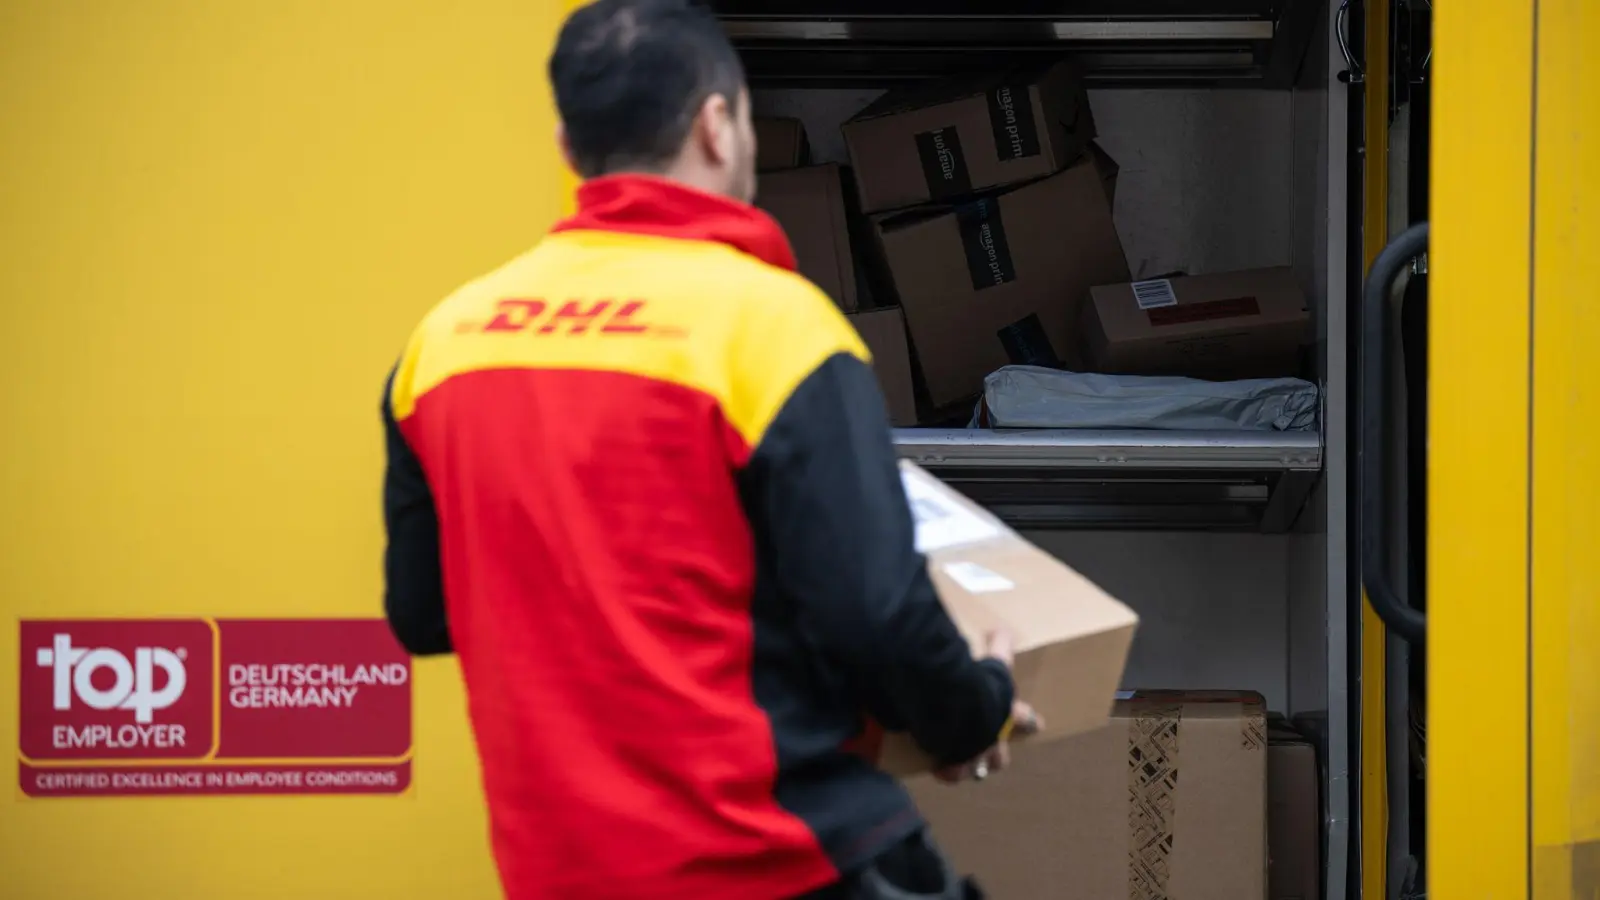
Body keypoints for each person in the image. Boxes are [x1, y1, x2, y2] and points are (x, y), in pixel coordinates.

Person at [380, 1, 1033, 897]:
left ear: (570, 149)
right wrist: (976, 709)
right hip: (779, 859)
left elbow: (424, 615)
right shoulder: (773, 327)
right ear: (717, 126)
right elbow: (876, 613)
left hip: (562, 872)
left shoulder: (445, 344)